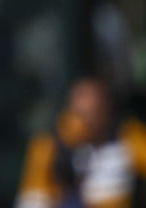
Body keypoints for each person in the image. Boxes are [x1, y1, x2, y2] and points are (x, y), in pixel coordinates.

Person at [15, 76, 146, 208]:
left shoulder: (127, 135)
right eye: (83, 115)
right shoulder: (47, 145)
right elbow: (32, 199)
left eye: (96, 112)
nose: (89, 122)